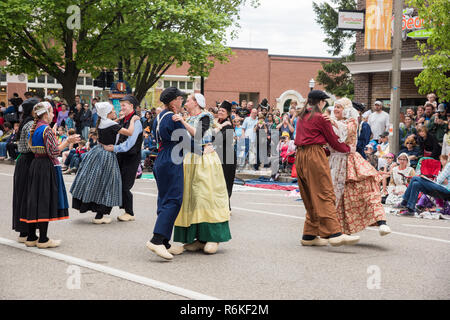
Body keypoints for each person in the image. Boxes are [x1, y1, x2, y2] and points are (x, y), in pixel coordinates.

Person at [294, 90, 360, 247]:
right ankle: (335, 233)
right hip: (314, 154)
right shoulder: (320, 117)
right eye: (324, 102)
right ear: (320, 102)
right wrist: (347, 149)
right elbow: (334, 140)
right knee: (325, 192)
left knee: (310, 194)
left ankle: (309, 234)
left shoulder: (302, 115)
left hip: (300, 156)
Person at [172, 93, 231, 255]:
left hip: (205, 159)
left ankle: (213, 236)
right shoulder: (187, 117)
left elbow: (198, 135)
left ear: (197, 103)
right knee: (192, 197)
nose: (186, 102)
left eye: (189, 100)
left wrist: (182, 121)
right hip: (190, 158)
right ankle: (196, 238)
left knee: (206, 196)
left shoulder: (205, 116)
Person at [328, 98, 390, 237]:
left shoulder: (351, 121)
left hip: (350, 160)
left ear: (347, 110)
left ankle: (382, 222)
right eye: (335, 107)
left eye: (339, 107)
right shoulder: (334, 122)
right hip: (335, 161)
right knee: (344, 197)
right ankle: (339, 230)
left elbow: (345, 133)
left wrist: (331, 122)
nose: (336, 109)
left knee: (368, 191)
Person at [21, 102, 80, 248]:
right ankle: (43, 239)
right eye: (52, 112)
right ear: (46, 114)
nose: (54, 115)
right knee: (44, 200)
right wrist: (68, 141)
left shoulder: (34, 128)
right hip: (46, 166)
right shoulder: (45, 129)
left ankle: (31, 237)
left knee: (34, 199)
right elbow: (54, 152)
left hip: (35, 165)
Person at [70, 102, 139, 223]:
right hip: (107, 155)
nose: (115, 112)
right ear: (107, 113)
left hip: (97, 153)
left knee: (96, 182)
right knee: (107, 184)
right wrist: (133, 121)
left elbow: (111, 125)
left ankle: (96, 211)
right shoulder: (112, 124)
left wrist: (118, 119)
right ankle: (100, 215)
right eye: (112, 111)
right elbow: (130, 132)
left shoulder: (102, 122)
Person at [146, 87, 192, 260]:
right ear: (173, 101)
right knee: (173, 200)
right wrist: (204, 150)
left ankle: (165, 241)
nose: (182, 102)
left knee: (164, 199)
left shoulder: (159, 116)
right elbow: (186, 142)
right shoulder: (174, 118)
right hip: (172, 159)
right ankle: (157, 239)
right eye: (180, 99)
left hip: (161, 157)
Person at [103, 95, 143, 222]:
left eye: (124, 105)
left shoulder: (135, 121)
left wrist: (114, 148)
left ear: (131, 106)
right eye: (121, 105)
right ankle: (105, 211)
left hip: (131, 156)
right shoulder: (124, 120)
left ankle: (129, 212)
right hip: (121, 155)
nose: (122, 107)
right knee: (116, 183)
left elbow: (130, 143)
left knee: (125, 185)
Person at [12, 97, 39, 242]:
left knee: (22, 196)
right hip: (29, 160)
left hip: (23, 161)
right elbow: (31, 146)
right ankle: (30, 234)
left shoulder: (25, 122)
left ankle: (23, 232)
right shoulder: (31, 125)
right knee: (28, 197)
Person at [214, 101, 237, 212]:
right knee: (218, 181)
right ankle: (221, 206)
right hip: (219, 156)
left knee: (225, 182)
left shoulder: (228, 126)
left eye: (223, 111)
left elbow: (217, 139)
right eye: (219, 110)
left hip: (228, 157)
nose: (220, 112)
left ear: (228, 113)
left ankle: (226, 207)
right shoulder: (219, 123)